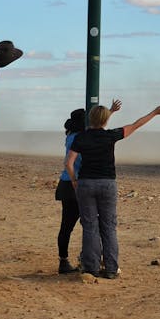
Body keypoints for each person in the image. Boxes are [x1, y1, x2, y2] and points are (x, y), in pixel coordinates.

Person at [65, 101, 160, 280]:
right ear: (106, 121)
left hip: (86, 184)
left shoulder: (80, 138)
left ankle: (91, 268)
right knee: (109, 227)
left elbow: (68, 162)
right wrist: (154, 112)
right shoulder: (111, 136)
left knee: (90, 226)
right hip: (107, 184)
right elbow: (136, 124)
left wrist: (74, 180)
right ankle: (112, 268)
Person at [55, 100, 121, 275]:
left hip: (67, 184)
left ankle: (65, 260)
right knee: (93, 225)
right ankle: (93, 261)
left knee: (68, 226)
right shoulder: (82, 138)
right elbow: (97, 133)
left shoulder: (72, 137)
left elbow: (96, 127)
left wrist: (110, 112)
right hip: (78, 182)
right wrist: (76, 180)